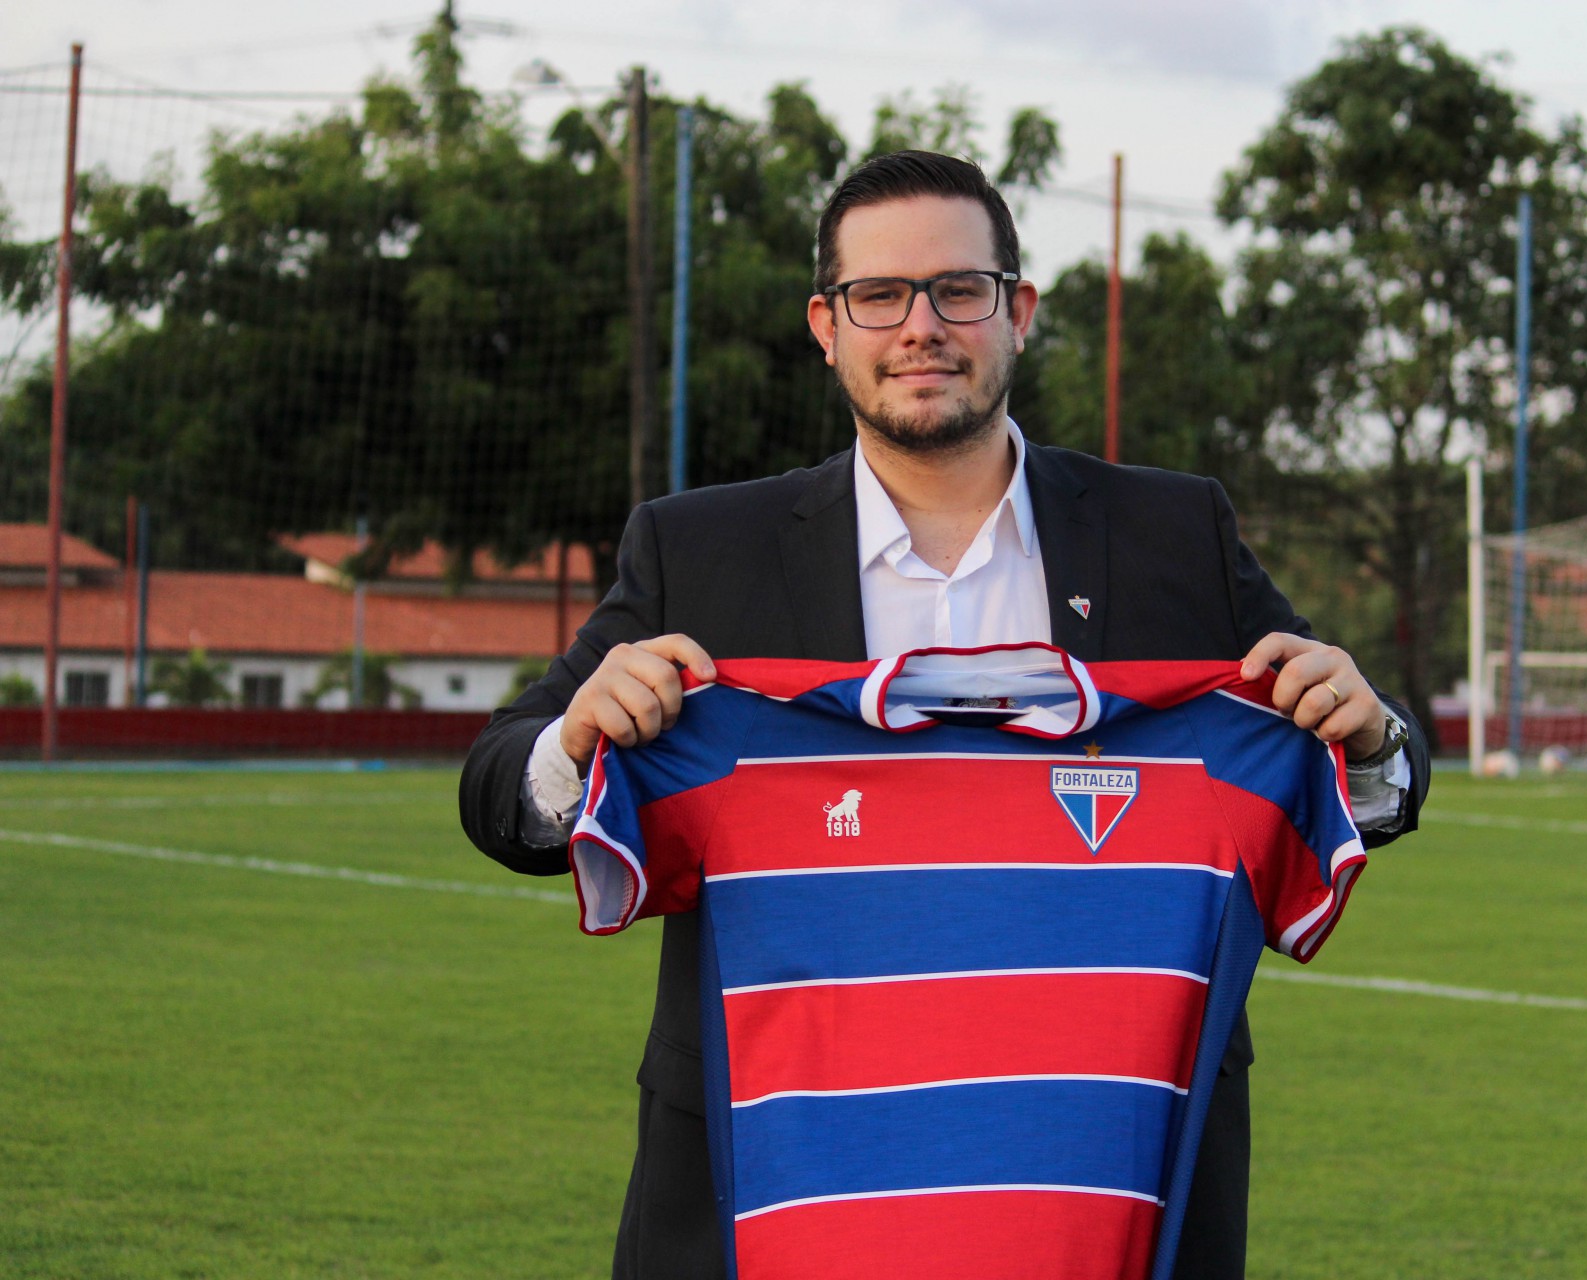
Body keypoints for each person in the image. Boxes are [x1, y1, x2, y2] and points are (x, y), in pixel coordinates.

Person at [460, 149, 1429, 1280]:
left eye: (959, 289)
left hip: (1106, 1163)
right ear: (828, 323)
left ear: (1017, 310)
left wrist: (1371, 741)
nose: (922, 325)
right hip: (777, 1161)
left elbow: (1351, 746)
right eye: (881, 294)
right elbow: (497, 785)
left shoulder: (1172, 535)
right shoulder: (702, 552)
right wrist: (573, 745)